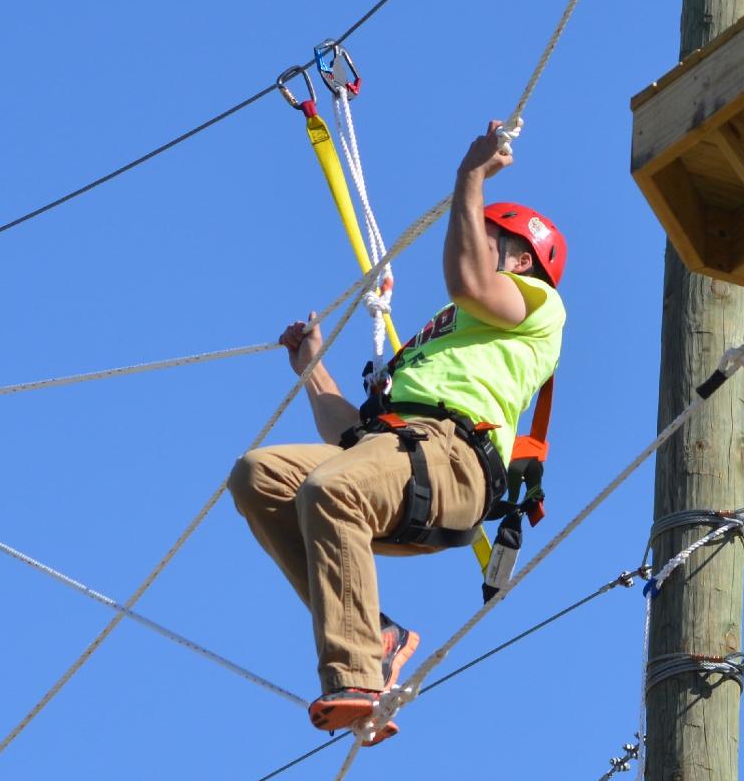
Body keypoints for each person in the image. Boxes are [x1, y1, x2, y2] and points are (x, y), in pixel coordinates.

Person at [229, 121, 567, 742]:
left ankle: (357, 672)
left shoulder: (539, 308)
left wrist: (469, 177)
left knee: (332, 490)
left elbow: (468, 280)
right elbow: (353, 437)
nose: (470, 236)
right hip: (399, 452)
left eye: (486, 235)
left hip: (454, 461)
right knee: (261, 477)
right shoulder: (442, 338)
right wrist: (314, 371)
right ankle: (377, 634)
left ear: (521, 261)